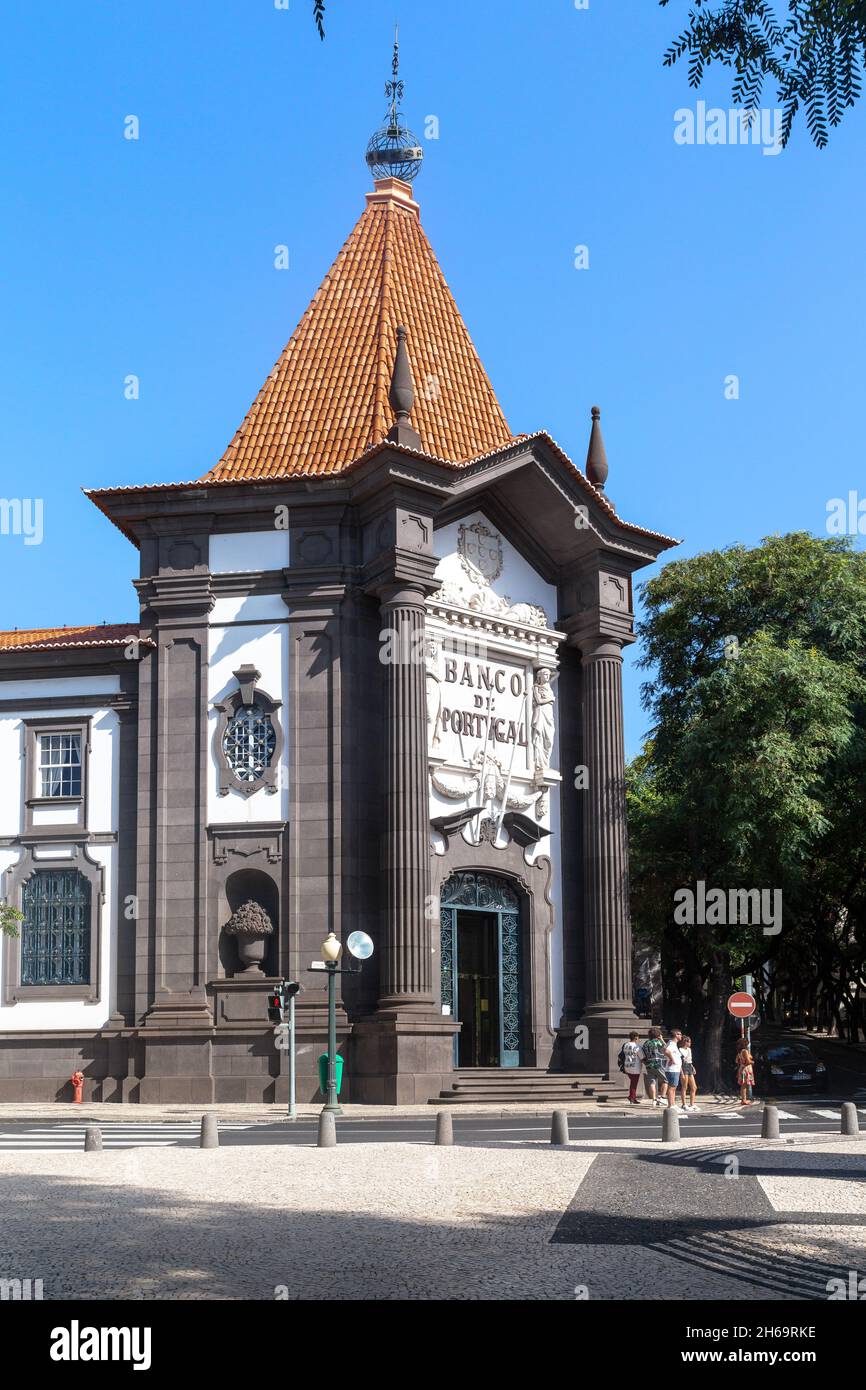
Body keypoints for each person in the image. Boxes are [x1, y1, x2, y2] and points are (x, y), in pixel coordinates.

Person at [641, 1027, 667, 1106]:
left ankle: (654, 1100)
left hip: (649, 1064)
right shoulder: (657, 1042)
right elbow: (666, 1048)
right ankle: (662, 1097)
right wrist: (662, 1039)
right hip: (658, 1064)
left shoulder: (646, 1043)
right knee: (666, 1080)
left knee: (652, 1082)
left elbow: (643, 1054)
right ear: (658, 1034)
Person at [662, 1028, 683, 1109]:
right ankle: (670, 1105)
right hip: (672, 1069)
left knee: (673, 1088)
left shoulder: (673, 1044)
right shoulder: (672, 1044)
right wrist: (671, 1059)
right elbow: (666, 1051)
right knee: (672, 1088)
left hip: (675, 1069)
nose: (681, 1036)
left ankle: (673, 1104)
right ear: (676, 1035)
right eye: (680, 1034)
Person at [622, 1031, 643, 1103]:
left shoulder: (625, 1045)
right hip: (635, 1067)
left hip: (627, 1065)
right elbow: (641, 1057)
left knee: (632, 1082)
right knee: (634, 1083)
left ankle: (632, 1097)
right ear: (636, 1037)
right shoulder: (637, 1046)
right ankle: (632, 1098)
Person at [679, 1034, 699, 1110]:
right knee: (685, 1087)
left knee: (694, 1087)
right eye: (689, 1042)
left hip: (689, 1066)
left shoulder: (689, 1049)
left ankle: (692, 1104)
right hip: (683, 1066)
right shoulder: (680, 1049)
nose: (690, 1043)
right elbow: (683, 1059)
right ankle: (684, 1104)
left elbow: (689, 1060)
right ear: (685, 1042)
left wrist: (693, 1067)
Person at [736, 1039, 754, 1105]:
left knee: (743, 1085)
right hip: (746, 1069)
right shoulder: (745, 1051)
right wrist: (752, 1062)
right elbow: (748, 1061)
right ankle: (744, 1100)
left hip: (742, 1068)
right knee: (744, 1085)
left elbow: (737, 1061)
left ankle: (744, 1099)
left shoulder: (739, 1052)